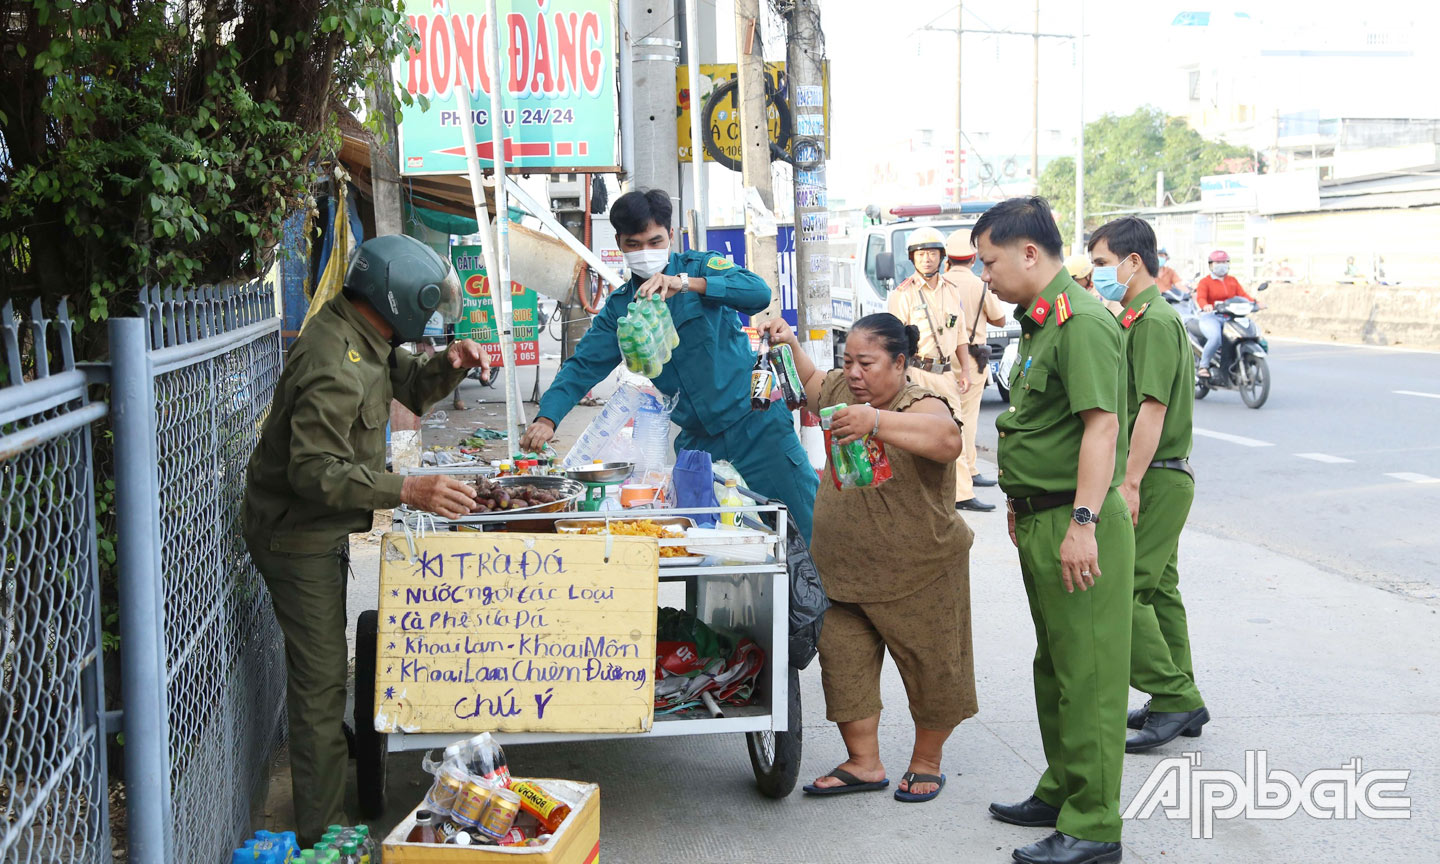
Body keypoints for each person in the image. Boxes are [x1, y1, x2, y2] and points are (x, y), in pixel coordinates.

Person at [242, 234, 492, 845]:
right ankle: (325, 841)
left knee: (325, 680)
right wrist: (407, 490)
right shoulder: (333, 361)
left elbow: (404, 382)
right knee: (321, 689)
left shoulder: (362, 331)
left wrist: (447, 365)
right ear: (401, 299)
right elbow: (313, 471)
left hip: (318, 529)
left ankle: (328, 816)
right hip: (296, 537)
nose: (430, 320)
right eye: (427, 307)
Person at [760, 312, 975, 804]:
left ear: (900, 363)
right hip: (841, 572)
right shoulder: (843, 392)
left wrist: (876, 421)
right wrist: (790, 341)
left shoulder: (924, 403)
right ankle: (864, 762)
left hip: (919, 572)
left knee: (934, 670)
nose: (854, 373)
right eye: (848, 361)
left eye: (867, 363)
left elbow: (947, 441)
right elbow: (812, 384)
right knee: (845, 669)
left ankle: (926, 762)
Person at [976, 198, 1134, 864]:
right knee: (1057, 667)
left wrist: (1082, 523)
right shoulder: (1040, 324)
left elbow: (1103, 426)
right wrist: (1022, 499)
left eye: (989, 262)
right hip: (1041, 517)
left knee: (1090, 676)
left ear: (1029, 254)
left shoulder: (1082, 322)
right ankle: (1063, 787)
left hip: (1078, 523)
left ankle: (1094, 827)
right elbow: (1044, 425)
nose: (984, 275)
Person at [518, 189, 819, 538]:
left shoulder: (698, 268)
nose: (645, 252)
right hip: (700, 448)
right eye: (634, 244)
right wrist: (547, 417)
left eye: (655, 240)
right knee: (708, 548)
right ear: (619, 243)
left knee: (805, 531)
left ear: (671, 236)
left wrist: (687, 285)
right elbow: (582, 366)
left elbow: (757, 294)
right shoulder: (621, 308)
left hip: (757, 427)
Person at [1088, 217, 1210, 754]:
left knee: (1127, 588)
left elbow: (1151, 412)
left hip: (1155, 476)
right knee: (1159, 590)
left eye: (1100, 262)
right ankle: (1177, 701)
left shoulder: (1155, 322)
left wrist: (1129, 482)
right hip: (1159, 476)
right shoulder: (1137, 318)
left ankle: (1176, 694)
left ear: (1132, 262)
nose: (1095, 275)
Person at [886, 226, 991, 512]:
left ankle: (962, 495)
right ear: (912, 258)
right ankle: (916, 495)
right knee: (915, 435)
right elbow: (895, 341)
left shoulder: (951, 290)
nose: (927, 259)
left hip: (946, 373)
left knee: (954, 429)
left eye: (932, 253)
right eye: (921, 254)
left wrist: (966, 372)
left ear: (942, 256)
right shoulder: (903, 294)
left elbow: (959, 335)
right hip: (916, 372)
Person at [945, 229, 1009, 492]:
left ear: (947, 257)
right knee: (968, 416)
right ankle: (969, 469)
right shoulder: (979, 284)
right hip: (973, 356)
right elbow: (1001, 318)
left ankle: (950, 470)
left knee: (948, 413)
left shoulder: (941, 283)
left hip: (943, 358)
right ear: (973, 259)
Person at [1194, 250, 1264, 379]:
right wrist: (1206, 306)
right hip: (1211, 317)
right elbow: (1201, 298)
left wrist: (1256, 303)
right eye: (1218, 262)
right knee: (1215, 338)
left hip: (1231, 317)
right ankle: (1204, 366)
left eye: (1224, 262)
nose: (1222, 265)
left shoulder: (1232, 280)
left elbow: (1243, 295)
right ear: (1211, 265)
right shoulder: (1205, 282)